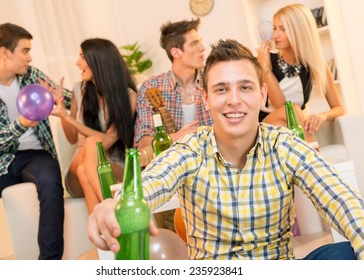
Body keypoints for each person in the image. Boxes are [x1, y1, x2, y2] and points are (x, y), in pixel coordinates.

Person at [87, 39, 364, 260]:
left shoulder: (284, 144)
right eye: (221, 90)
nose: (234, 100)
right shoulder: (192, 149)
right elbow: (149, 184)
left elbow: (341, 199)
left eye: (245, 87)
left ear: (262, 95)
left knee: (343, 252)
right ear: (206, 99)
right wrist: (117, 204)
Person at [0, 23, 71, 259]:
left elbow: (68, 99)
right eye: (25, 51)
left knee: (50, 183)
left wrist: (62, 101)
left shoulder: (32, 76)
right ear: (4, 52)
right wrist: (21, 124)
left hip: (36, 155)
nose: (30, 57)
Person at [134, 18, 213, 231]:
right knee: (173, 229)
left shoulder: (213, 80)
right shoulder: (153, 87)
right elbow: (143, 145)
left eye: (200, 41)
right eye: (194, 43)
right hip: (172, 174)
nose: (202, 47)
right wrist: (176, 137)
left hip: (212, 169)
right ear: (176, 52)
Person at [51, 38, 137, 214]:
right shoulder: (78, 90)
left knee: (88, 163)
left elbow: (106, 141)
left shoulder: (128, 96)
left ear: (99, 61)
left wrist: (69, 118)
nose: (77, 62)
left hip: (114, 164)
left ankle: (100, 233)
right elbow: (72, 137)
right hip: (76, 167)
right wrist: (62, 113)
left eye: (82, 56)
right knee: (90, 146)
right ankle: (109, 205)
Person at [257, 3, 344, 142]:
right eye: (274, 28)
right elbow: (283, 106)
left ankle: (309, 160)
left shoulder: (316, 66)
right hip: (263, 124)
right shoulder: (266, 61)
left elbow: (339, 108)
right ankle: (316, 158)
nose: (275, 35)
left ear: (299, 31)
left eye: (283, 29)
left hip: (286, 129)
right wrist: (265, 69)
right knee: (293, 110)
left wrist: (322, 116)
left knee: (284, 127)